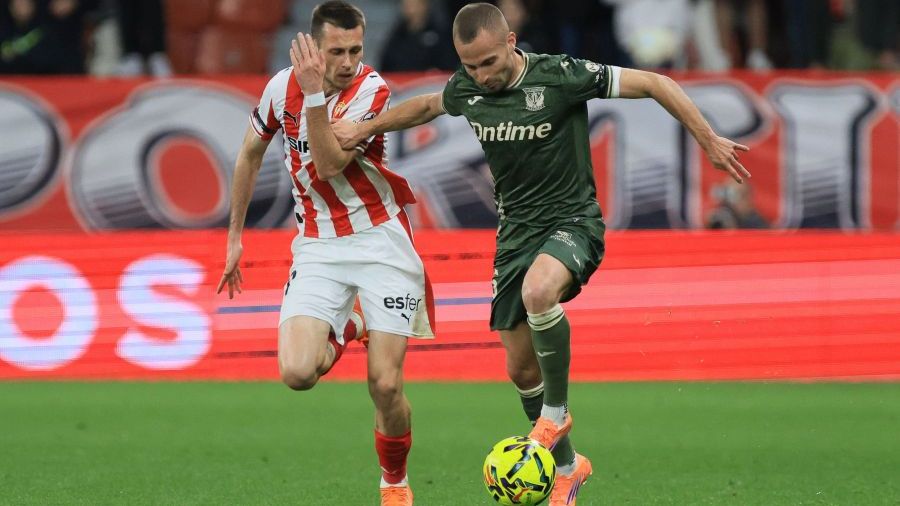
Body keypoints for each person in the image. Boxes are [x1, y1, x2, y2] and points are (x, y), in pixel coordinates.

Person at [333, 3, 750, 504]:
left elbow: (656, 83)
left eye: (489, 62)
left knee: (539, 293)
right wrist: (363, 129)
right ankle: (570, 467)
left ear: (511, 42)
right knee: (521, 369)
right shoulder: (467, 88)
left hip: (573, 222)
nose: (481, 76)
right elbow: (425, 106)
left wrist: (708, 139)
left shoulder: (560, 76)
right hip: (515, 236)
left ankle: (556, 413)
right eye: (470, 66)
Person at [217, 2, 434, 505]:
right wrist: (234, 237)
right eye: (336, 51)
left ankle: (394, 482)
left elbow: (331, 164)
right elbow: (249, 153)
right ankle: (354, 322)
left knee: (384, 385)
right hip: (318, 244)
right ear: (313, 48)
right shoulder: (280, 88)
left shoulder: (371, 90)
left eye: (355, 50)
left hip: (380, 242)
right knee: (297, 373)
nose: (348, 62)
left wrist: (315, 94)